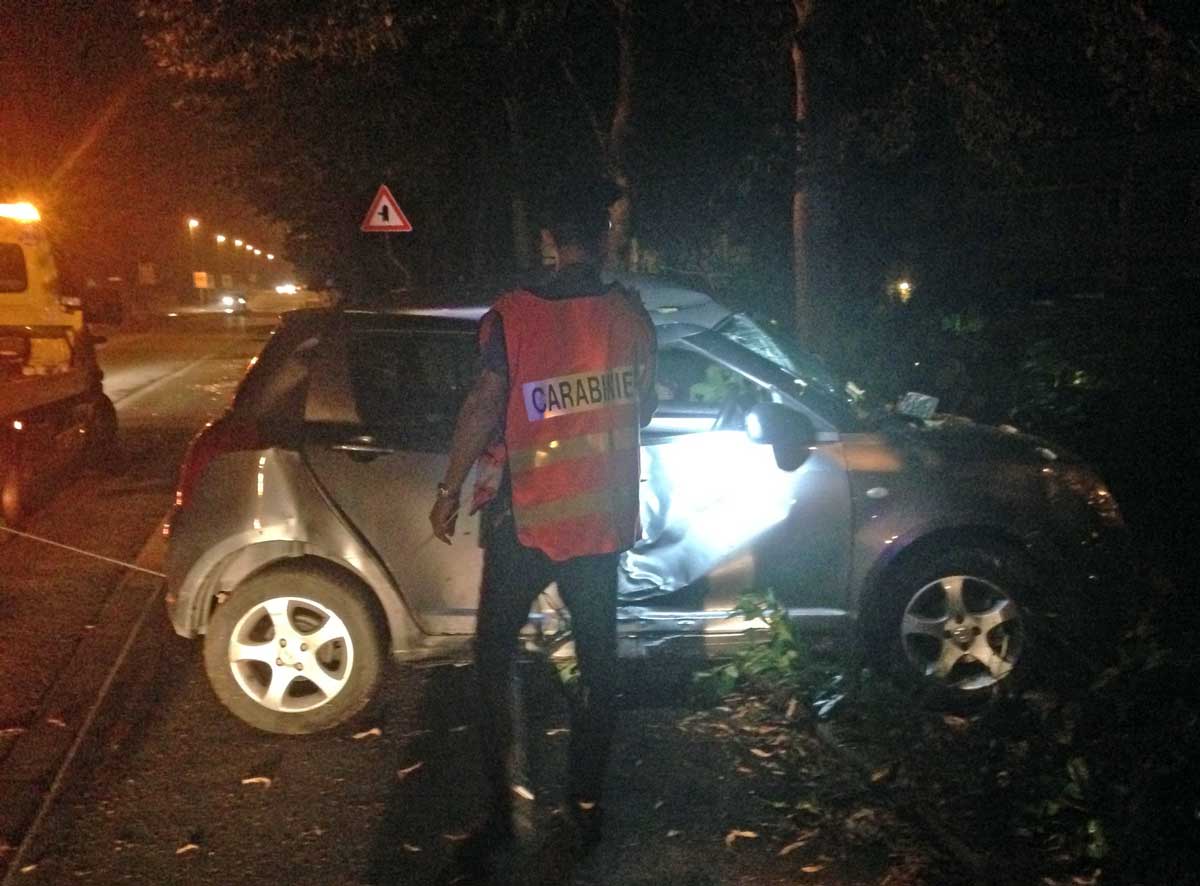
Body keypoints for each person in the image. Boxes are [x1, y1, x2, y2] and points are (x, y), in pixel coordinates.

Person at [428, 181, 656, 862]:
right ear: (605, 238)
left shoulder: (512, 316)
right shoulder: (631, 315)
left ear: (548, 242)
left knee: (493, 663)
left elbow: (484, 400)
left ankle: (500, 815)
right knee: (597, 667)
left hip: (524, 520)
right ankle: (583, 812)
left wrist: (448, 486)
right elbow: (641, 408)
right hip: (600, 525)